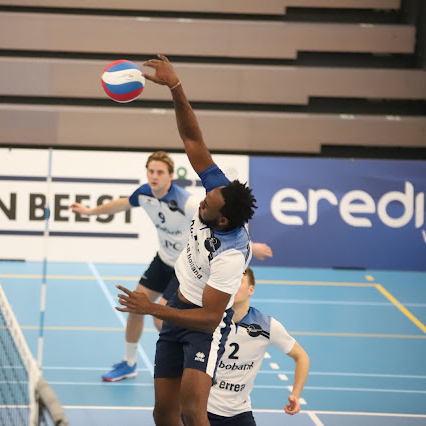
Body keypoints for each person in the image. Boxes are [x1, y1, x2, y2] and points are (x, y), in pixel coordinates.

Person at [116, 55, 257, 426]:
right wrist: (175, 87)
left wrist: (153, 309)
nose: (203, 200)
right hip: (180, 302)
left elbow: (209, 318)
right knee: (163, 413)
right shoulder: (219, 192)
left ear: (222, 220)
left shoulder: (230, 255)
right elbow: (192, 138)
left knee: (193, 413)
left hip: (204, 328)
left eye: (208, 204)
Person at [71, 151, 198, 381]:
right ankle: (129, 363)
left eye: (160, 172)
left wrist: (248, 246)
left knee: (160, 318)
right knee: (135, 305)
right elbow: (121, 204)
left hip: (185, 266)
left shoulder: (187, 203)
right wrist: (90, 212)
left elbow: (214, 224)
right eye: (151, 171)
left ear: (171, 176)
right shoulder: (145, 193)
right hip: (163, 259)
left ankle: (190, 363)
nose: (154, 176)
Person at [208, 268, 309, 425]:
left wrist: (295, 395)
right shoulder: (210, 320)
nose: (233, 285)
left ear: (251, 289)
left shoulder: (266, 326)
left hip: (239, 412)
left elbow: (301, 356)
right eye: (231, 281)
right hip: (203, 408)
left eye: (239, 281)